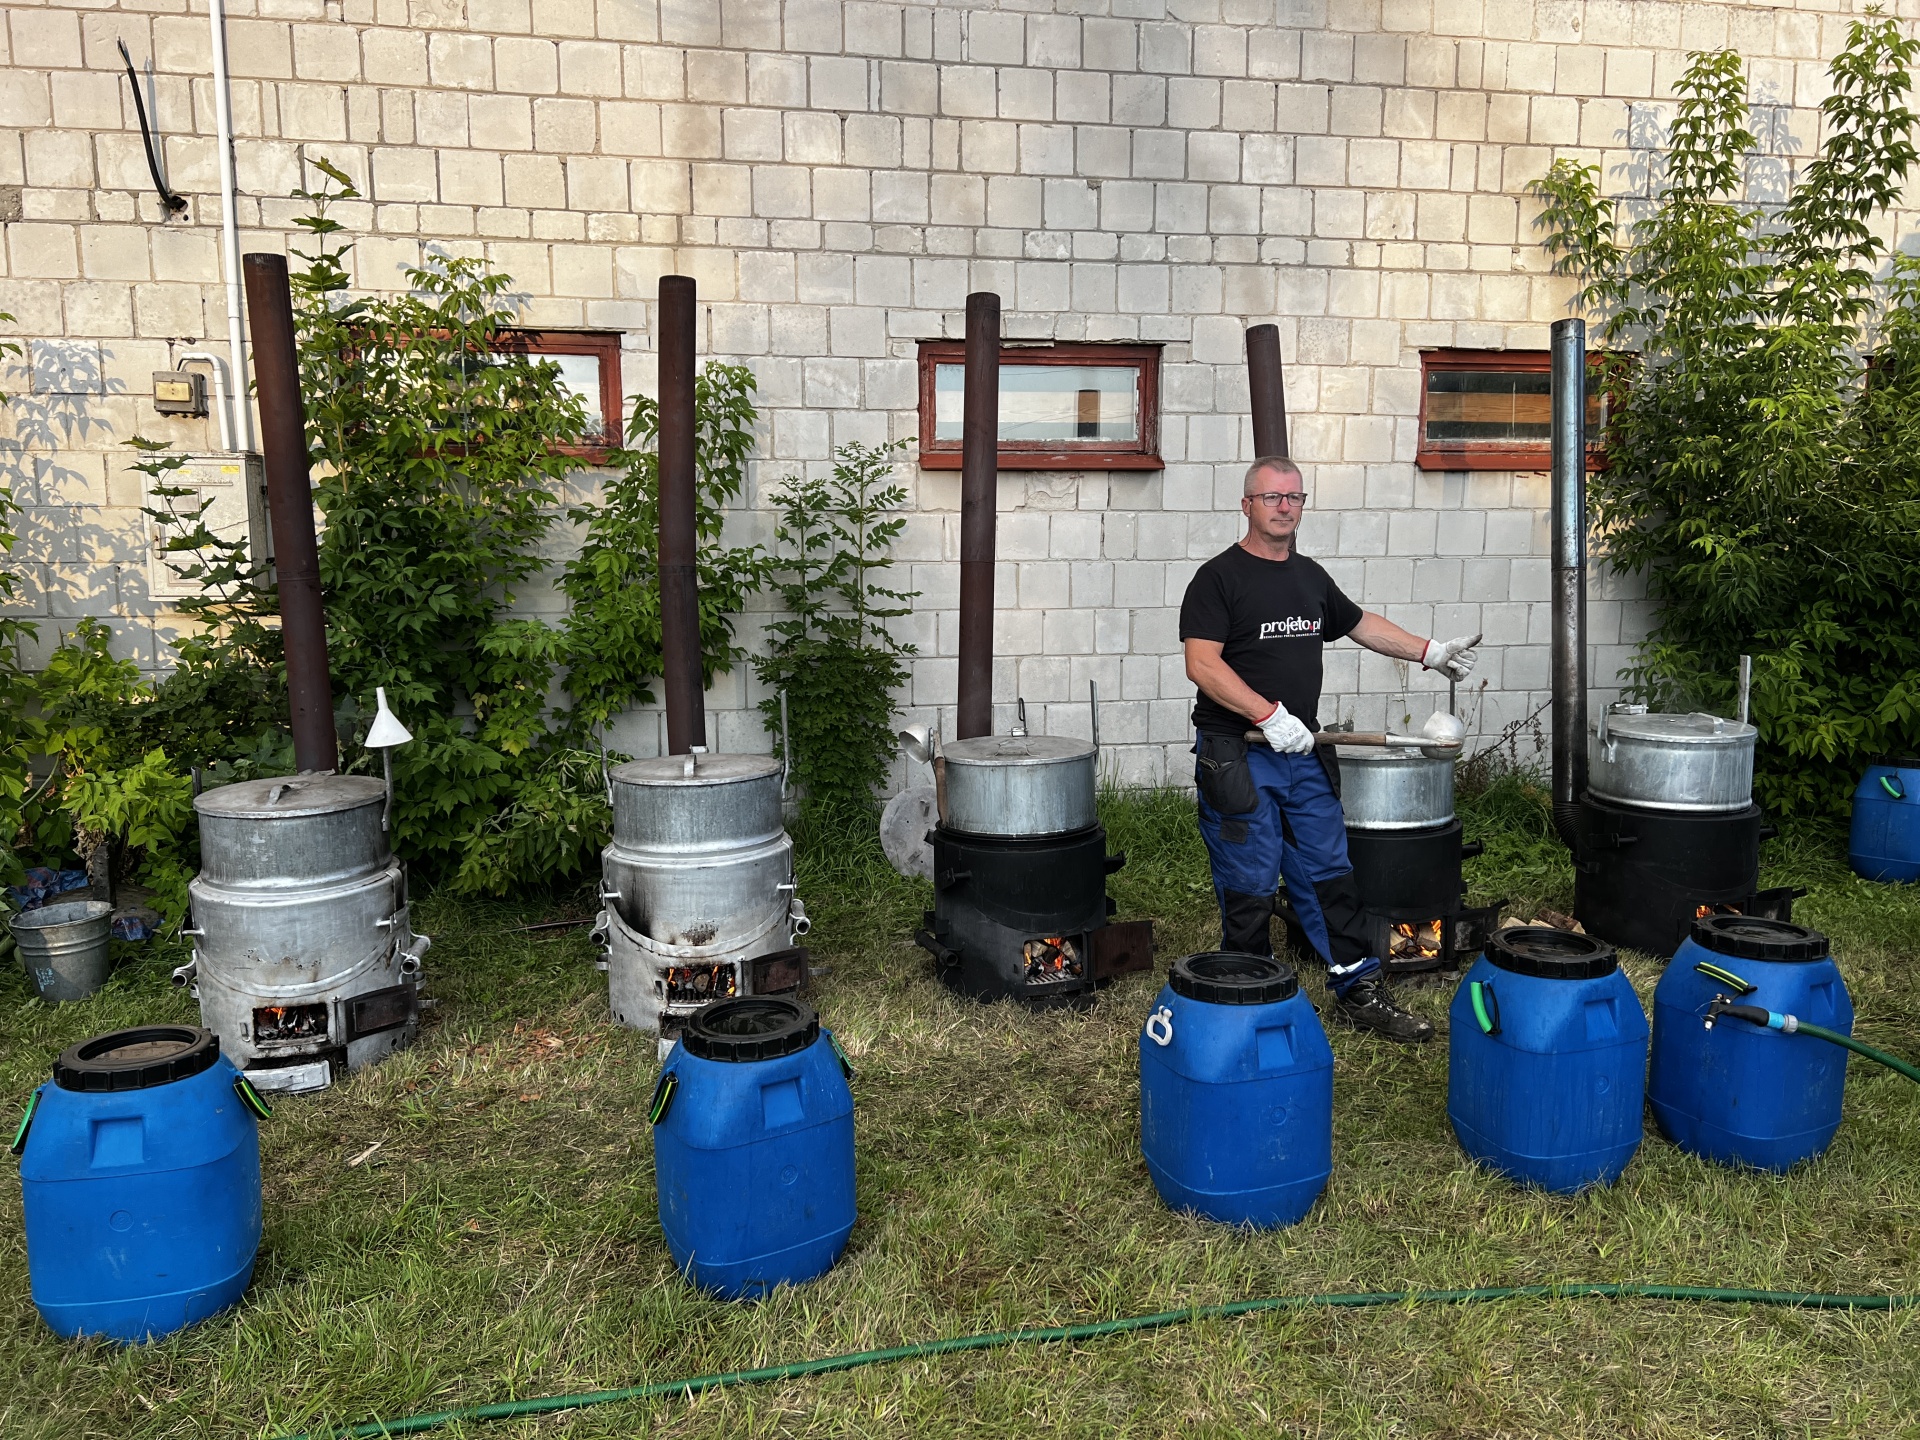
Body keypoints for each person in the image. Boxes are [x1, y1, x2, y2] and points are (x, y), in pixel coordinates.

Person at [1178, 456, 1481, 1042]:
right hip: (1238, 751)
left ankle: (1357, 988)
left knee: (1330, 871)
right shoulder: (1217, 579)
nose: (1284, 507)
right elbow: (1202, 664)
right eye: (1272, 497)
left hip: (1302, 750)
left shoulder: (1309, 577)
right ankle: (1249, 998)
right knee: (1250, 880)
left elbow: (1361, 623)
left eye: (1294, 497)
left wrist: (1430, 652)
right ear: (1247, 505)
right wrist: (1267, 714)